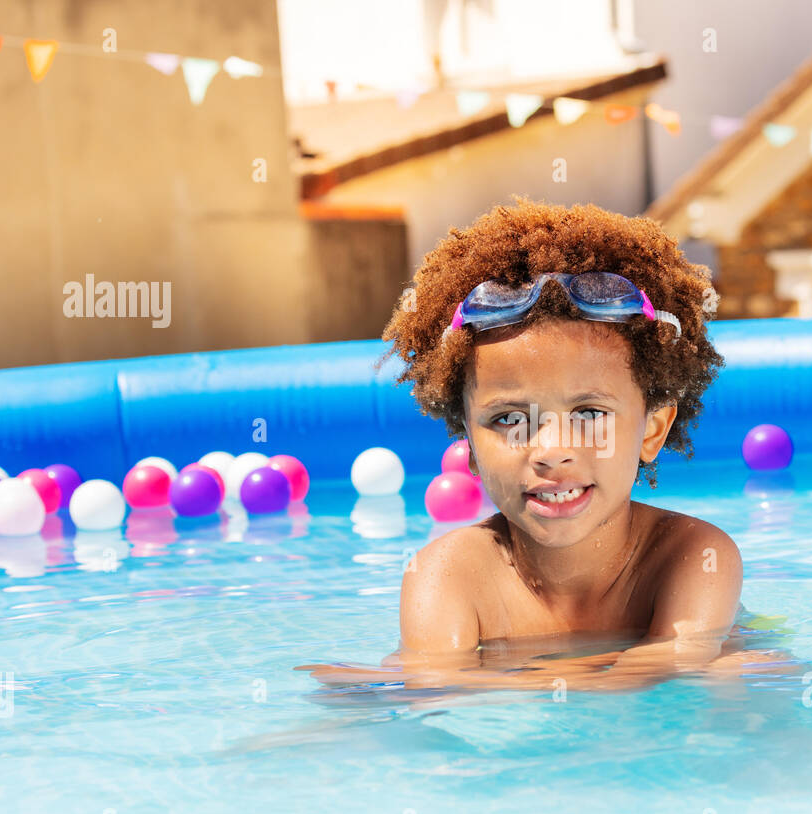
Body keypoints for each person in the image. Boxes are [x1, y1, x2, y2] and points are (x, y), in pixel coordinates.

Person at [304, 197, 783, 693]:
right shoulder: (447, 574)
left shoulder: (694, 555)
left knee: (744, 673)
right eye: (510, 419)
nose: (551, 450)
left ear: (652, 431)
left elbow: (666, 670)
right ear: (469, 444)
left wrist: (474, 681)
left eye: (590, 413)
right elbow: (437, 702)